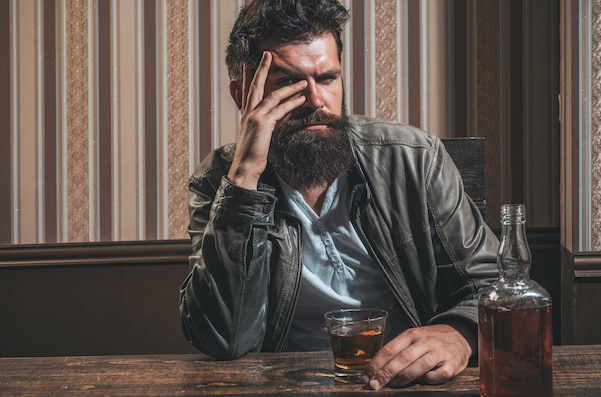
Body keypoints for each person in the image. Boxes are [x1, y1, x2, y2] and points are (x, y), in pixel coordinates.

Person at [179, 0, 499, 390]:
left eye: (327, 78)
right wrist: (244, 177)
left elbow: (495, 286)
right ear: (242, 94)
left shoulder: (413, 160)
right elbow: (224, 339)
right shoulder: (218, 182)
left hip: (408, 385)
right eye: (288, 83)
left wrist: (459, 334)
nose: (315, 101)